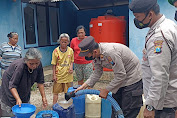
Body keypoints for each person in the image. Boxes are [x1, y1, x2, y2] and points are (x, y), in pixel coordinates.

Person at [129, 0, 177, 117]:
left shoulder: (159, 35)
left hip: (164, 105)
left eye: (138, 17)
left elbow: (159, 75)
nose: (137, 21)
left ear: (150, 14)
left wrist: (151, 106)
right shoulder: (168, 24)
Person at [75, 36, 143, 118]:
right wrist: (84, 86)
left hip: (132, 79)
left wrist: (106, 90)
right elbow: (97, 72)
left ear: (95, 51)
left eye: (87, 54)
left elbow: (121, 74)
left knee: (127, 111)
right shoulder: (96, 55)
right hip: (121, 79)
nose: (86, 57)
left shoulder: (110, 53)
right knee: (116, 109)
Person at [0, 48, 48, 117]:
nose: (34, 66)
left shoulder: (38, 65)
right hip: (9, 88)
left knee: (24, 106)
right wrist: (18, 98)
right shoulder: (20, 66)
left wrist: (43, 97)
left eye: (36, 63)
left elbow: (40, 82)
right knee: (12, 109)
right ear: (26, 60)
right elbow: (12, 85)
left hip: (23, 86)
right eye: (31, 64)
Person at [51, 33, 74, 105]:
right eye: (62, 42)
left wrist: (71, 67)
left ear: (68, 42)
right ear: (59, 41)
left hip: (68, 75)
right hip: (59, 75)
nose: (64, 43)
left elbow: (72, 61)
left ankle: (68, 105)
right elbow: (54, 64)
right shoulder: (55, 51)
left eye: (65, 42)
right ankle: (54, 106)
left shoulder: (70, 50)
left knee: (68, 92)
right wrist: (54, 75)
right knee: (56, 92)